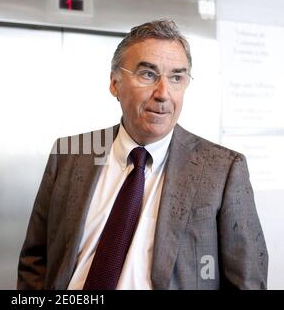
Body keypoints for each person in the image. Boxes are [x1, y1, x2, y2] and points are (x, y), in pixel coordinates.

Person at [17, 20, 268, 290]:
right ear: (115, 83)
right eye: (148, 74)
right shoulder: (70, 154)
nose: (163, 94)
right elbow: (36, 259)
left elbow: (247, 281)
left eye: (176, 77)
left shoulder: (223, 168)